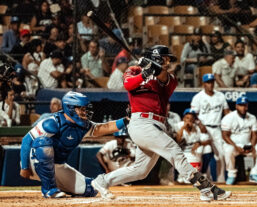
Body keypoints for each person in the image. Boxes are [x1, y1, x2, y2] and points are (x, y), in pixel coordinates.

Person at [91, 45, 231, 201]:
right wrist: (145, 71)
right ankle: (205, 188)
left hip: (157, 125)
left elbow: (164, 80)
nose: (168, 61)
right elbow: (129, 85)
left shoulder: (169, 77)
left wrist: (153, 69)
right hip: (141, 123)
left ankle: (102, 181)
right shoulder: (133, 70)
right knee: (173, 150)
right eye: (165, 58)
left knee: (141, 171)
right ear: (157, 57)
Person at [19, 91, 129, 198]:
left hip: (58, 165)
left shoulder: (83, 126)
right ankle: (48, 190)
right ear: (70, 108)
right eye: (82, 109)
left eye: (85, 109)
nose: (85, 112)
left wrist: (126, 120)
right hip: (34, 163)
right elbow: (26, 140)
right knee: (43, 142)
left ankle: (58, 185)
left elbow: (104, 127)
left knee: (90, 189)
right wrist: (24, 167)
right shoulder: (52, 122)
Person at [191, 73, 230, 182]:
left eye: (212, 82)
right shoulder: (198, 97)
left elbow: (226, 112)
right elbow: (193, 114)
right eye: (208, 82)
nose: (211, 84)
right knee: (203, 152)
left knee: (221, 155)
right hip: (203, 129)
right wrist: (200, 124)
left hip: (217, 128)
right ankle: (201, 177)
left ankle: (220, 179)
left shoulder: (220, 96)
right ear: (204, 84)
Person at [221, 96, 257, 185]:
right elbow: (225, 136)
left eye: (245, 105)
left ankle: (254, 173)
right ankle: (231, 174)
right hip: (234, 146)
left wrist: (252, 146)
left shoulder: (252, 117)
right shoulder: (229, 117)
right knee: (228, 150)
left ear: (247, 106)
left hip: (247, 145)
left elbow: (254, 135)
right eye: (241, 105)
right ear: (236, 106)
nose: (243, 107)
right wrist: (236, 146)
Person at [176, 108, 213, 184]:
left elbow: (208, 140)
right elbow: (177, 141)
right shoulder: (178, 125)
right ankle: (179, 176)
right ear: (183, 118)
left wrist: (199, 143)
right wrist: (183, 128)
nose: (189, 120)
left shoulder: (198, 127)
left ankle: (203, 173)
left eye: (192, 118)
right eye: (187, 118)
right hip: (183, 150)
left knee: (207, 148)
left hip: (194, 151)